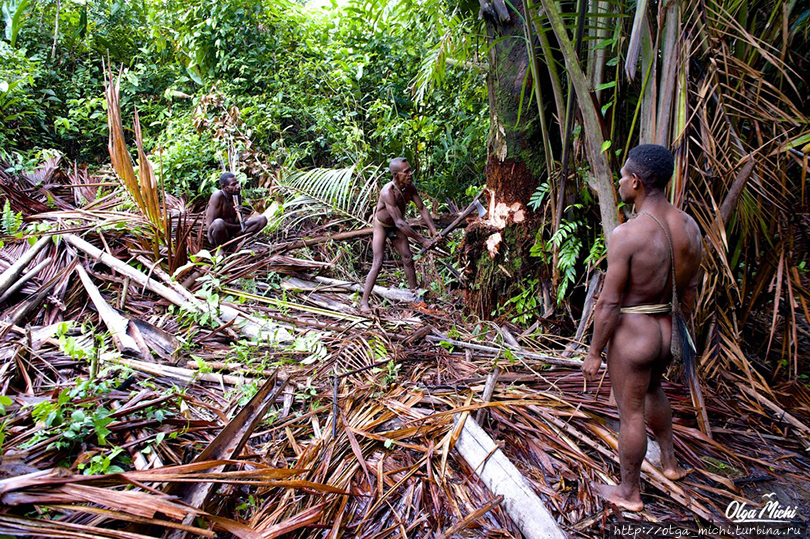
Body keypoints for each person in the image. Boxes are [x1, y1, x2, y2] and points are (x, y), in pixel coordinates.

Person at [582, 144, 703, 512]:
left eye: (622, 176)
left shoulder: (627, 235)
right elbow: (691, 289)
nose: (618, 182)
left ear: (635, 182)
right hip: (669, 331)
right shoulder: (688, 225)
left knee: (630, 412)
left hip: (635, 334)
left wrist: (593, 351)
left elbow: (609, 302)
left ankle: (629, 492)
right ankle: (669, 463)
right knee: (654, 391)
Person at [359, 157, 438, 313]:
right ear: (396, 175)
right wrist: (422, 241)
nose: (410, 174)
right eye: (406, 172)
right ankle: (364, 303)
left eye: (410, 170)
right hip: (382, 226)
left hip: (396, 227)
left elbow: (422, 208)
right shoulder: (387, 192)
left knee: (408, 257)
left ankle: (415, 294)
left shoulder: (410, 188)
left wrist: (433, 230)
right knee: (378, 262)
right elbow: (399, 222)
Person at [205, 172, 267, 249]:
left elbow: (238, 221)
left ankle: (235, 243)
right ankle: (219, 248)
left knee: (262, 220)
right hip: (219, 234)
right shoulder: (218, 196)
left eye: (237, 183)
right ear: (224, 187)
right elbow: (210, 224)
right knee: (219, 223)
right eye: (233, 184)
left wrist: (239, 213)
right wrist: (237, 227)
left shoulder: (236, 195)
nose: (238, 186)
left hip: (233, 232)